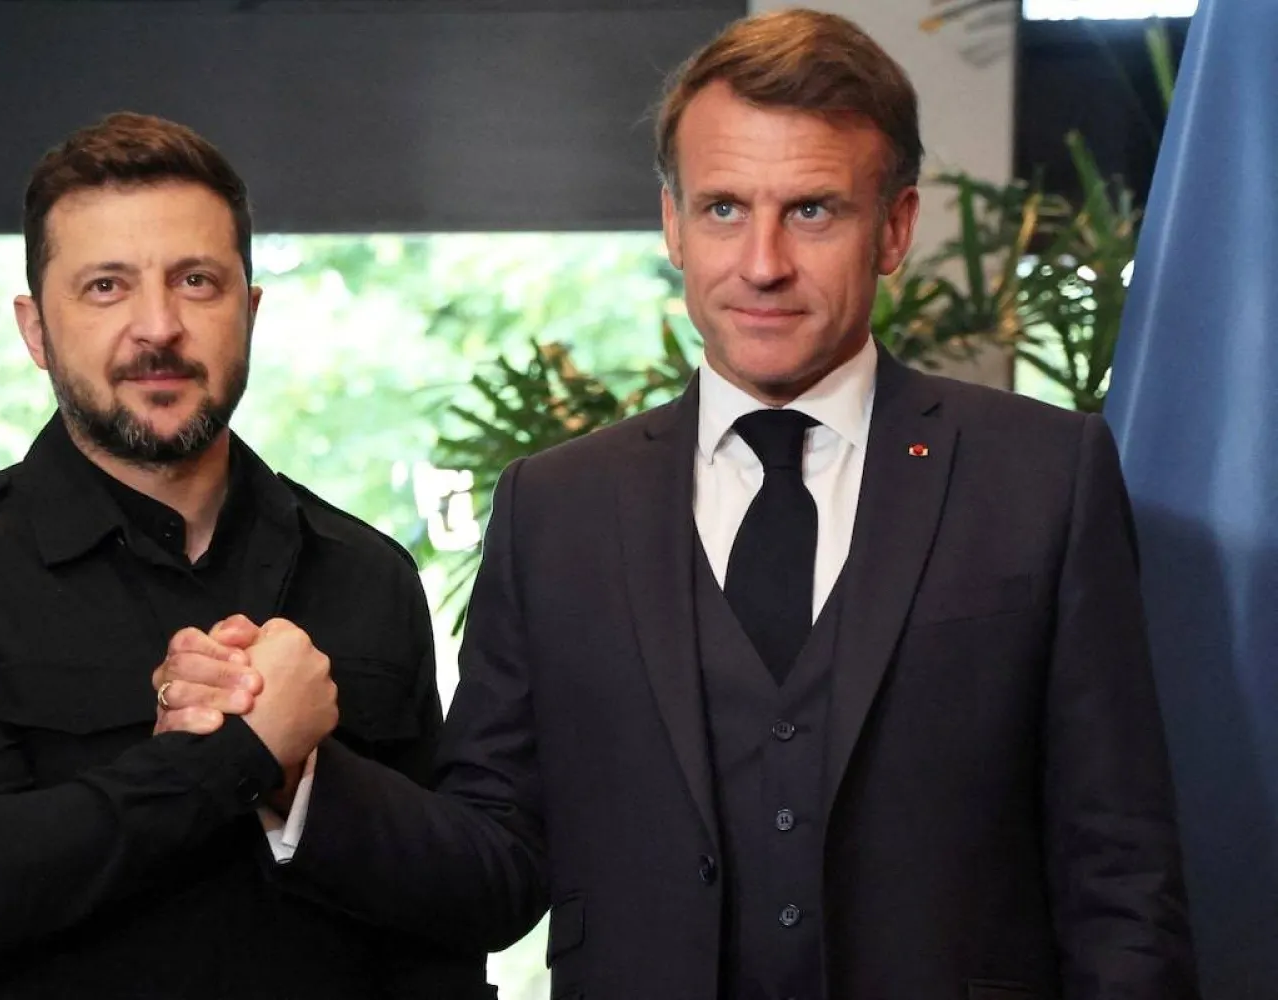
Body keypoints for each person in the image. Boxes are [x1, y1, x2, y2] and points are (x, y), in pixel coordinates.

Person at [159, 10, 1201, 999]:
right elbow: (496, 855)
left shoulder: (1043, 474)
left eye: (813, 210)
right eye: (723, 209)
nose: (763, 264)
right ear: (672, 223)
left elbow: (1118, 873)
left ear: (895, 228)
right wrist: (292, 773)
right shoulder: (557, 507)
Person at [0, 112, 491, 1000]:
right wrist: (243, 755)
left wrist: (309, 777)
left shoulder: (366, 571)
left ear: (250, 312)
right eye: (106, 286)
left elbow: (455, 911)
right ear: (36, 331)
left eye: (197, 281)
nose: (159, 327)